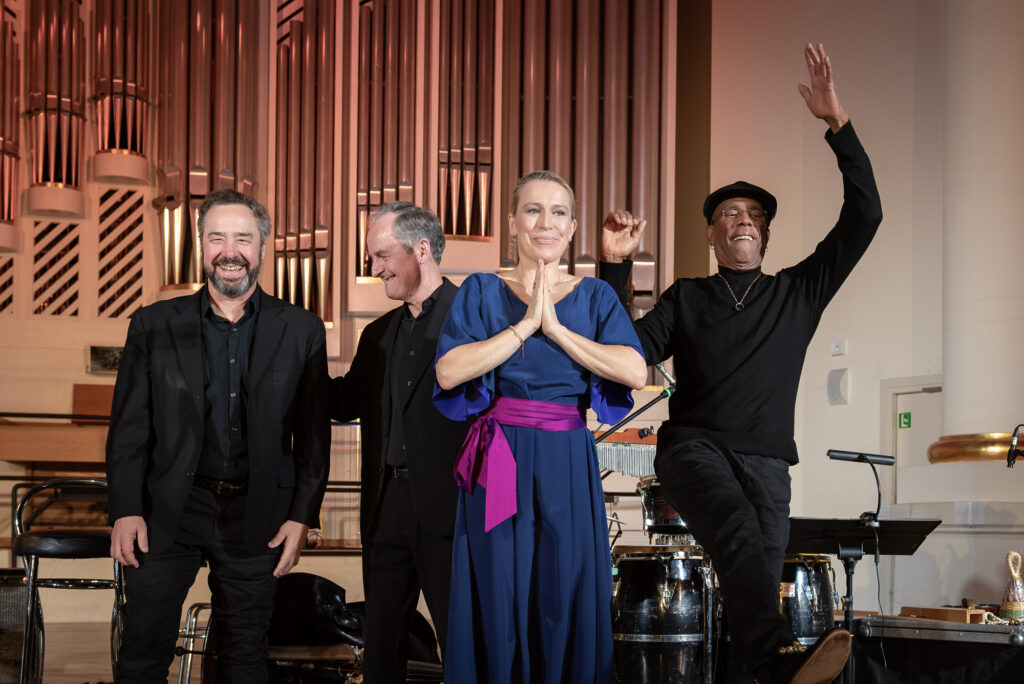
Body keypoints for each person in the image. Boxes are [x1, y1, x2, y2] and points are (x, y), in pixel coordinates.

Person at [600, 44, 882, 684]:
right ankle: (779, 660)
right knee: (733, 532)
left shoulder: (797, 293)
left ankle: (762, 667)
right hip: (693, 450)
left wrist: (838, 124)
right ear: (712, 234)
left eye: (755, 215)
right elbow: (625, 352)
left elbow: (866, 214)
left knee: (750, 584)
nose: (744, 221)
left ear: (767, 234)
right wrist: (617, 267)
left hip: (769, 464)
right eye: (730, 214)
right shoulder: (687, 297)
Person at [106, 189, 330, 682]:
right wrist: (125, 509)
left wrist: (302, 516)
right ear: (201, 246)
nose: (230, 252)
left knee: (245, 655)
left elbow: (313, 438)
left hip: (259, 513)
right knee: (143, 647)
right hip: (166, 509)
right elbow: (129, 429)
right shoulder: (152, 324)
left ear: (263, 246)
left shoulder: (302, 330)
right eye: (217, 238)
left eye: (243, 239)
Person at [433, 170, 648, 682]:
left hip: (566, 459)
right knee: (499, 589)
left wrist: (555, 329)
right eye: (532, 210)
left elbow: (635, 371)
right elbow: (448, 371)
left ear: (572, 228)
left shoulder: (596, 296)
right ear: (512, 222)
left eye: (558, 213)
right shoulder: (481, 290)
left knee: (563, 588)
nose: (544, 223)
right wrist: (526, 325)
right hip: (497, 460)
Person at [330, 202, 470, 682]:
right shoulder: (377, 335)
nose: (375, 269)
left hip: (451, 508)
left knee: (460, 642)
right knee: (381, 647)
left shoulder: (471, 319)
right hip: (385, 505)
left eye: (383, 255)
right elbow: (344, 402)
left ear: (422, 249)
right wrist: (291, 365)